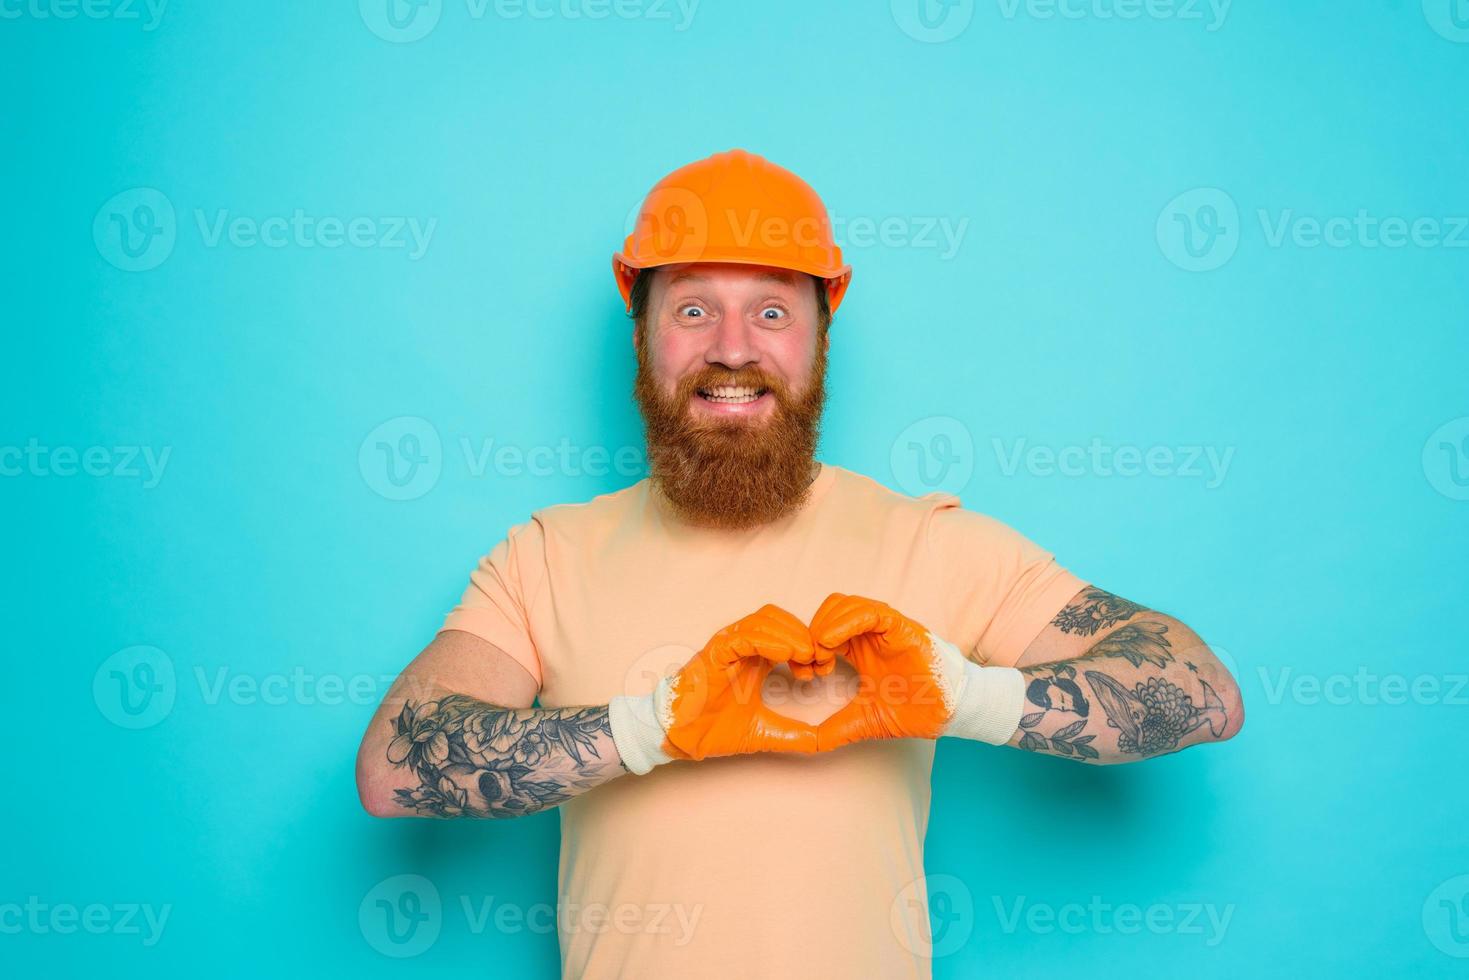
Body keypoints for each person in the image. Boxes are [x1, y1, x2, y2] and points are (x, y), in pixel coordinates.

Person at [354, 148, 1245, 979]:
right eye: (692, 308)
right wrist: (652, 726)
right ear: (642, 337)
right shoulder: (545, 555)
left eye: (772, 310)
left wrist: (969, 697)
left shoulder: (930, 542)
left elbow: (1203, 692)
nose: (733, 347)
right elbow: (395, 769)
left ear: (820, 338)